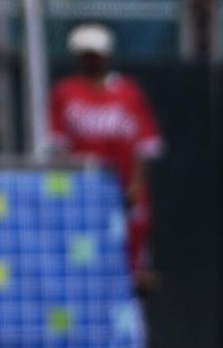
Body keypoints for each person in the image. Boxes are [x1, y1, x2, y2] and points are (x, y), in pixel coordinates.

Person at [50, 24, 161, 286]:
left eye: (95, 54)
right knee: (84, 261)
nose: (90, 60)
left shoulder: (128, 93)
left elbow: (145, 145)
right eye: (85, 54)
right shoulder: (66, 93)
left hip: (123, 190)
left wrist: (136, 184)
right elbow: (58, 145)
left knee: (131, 263)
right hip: (84, 191)